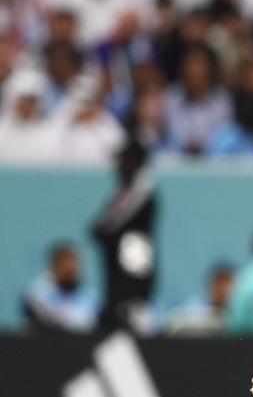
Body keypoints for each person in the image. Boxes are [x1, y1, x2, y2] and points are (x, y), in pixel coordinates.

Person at [90, 140, 157, 333]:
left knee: (131, 308)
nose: (119, 164)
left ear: (135, 162)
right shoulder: (123, 190)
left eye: (124, 159)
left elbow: (111, 225)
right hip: (120, 264)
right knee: (115, 307)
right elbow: (102, 224)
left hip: (134, 260)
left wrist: (102, 232)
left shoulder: (142, 192)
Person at [22, 241, 99, 334]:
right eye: (66, 268)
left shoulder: (90, 296)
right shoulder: (38, 293)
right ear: (55, 266)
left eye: (74, 269)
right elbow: (51, 319)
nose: (71, 272)